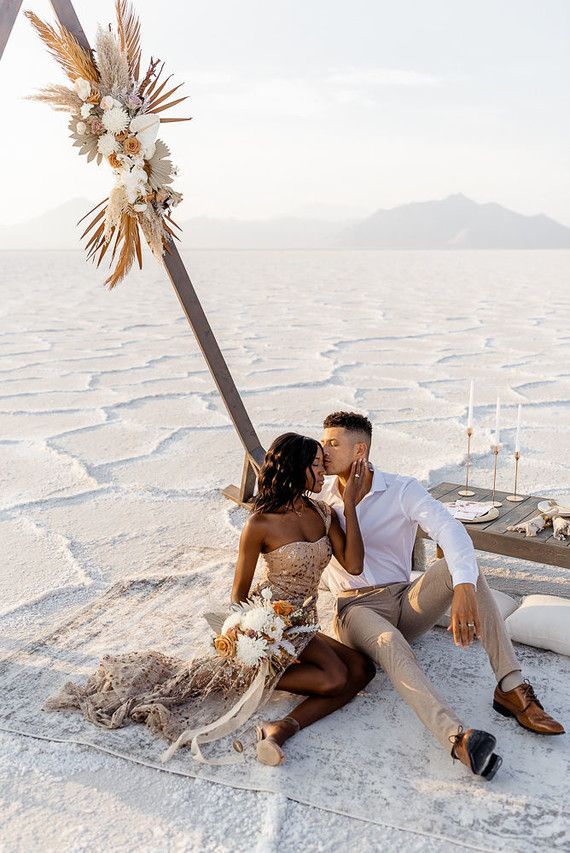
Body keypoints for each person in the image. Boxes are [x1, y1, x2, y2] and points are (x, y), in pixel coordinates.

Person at [44, 432, 374, 766]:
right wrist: (249, 634)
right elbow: (239, 596)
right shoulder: (260, 523)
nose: (324, 472)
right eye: (316, 465)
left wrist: (349, 505)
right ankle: (245, 678)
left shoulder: (322, 512)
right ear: (294, 468)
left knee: (364, 669)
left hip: (305, 620)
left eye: (322, 464)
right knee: (336, 678)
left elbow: (354, 564)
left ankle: (278, 727)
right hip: (272, 620)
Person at [319, 411, 564, 781]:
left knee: (464, 568)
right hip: (354, 609)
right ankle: (458, 738)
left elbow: (448, 527)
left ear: (360, 451)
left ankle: (511, 688)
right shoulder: (320, 498)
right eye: (322, 442)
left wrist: (463, 586)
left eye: (332, 443)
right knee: (391, 644)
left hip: (405, 600)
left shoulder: (401, 489)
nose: (323, 450)